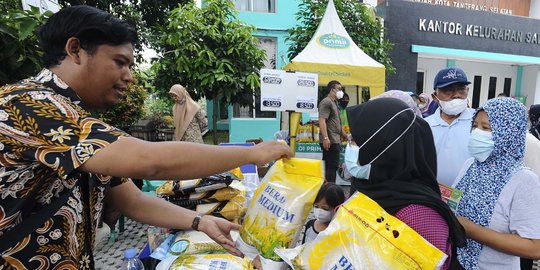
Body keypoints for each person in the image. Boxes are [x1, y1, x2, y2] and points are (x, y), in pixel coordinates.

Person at [0, 6, 292, 268]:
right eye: (119, 62)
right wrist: (252, 153)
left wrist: (200, 221)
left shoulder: (80, 123)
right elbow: (150, 161)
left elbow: (133, 201)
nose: (129, 76)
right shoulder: (27, 104)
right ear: (75, 49)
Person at [346, 98, 466, 269]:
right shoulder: (367, 187)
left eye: (355, 140)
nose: (350, 146)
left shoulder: (419, 217)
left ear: (382, 148)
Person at [452, 98, 540, 269]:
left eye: (486, 128)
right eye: (475, 126)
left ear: (508, 133)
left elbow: (535, 247)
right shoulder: (470, 165)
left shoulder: (524, 180)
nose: (476, 132)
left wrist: (472, 230)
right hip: (457, 261)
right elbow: (455, 199)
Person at [425, 67, 475, 186]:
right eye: (448, 90)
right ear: (434, 96)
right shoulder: (425, 125)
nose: (456, 95)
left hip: (470, 195)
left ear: (467, 91)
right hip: (434, 194)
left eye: (461, 89)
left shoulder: (479, 122)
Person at [319, 80, 347, 183]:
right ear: (332, 90)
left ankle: (327, 190)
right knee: (332, 167)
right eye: (339, 89)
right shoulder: (326, 102)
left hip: (335, 139)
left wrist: (346, 136)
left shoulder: (334, 102)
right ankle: (329, 190)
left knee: (330, 167)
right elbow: (322, 120)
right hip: (330, 140)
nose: (341, 91)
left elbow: (336, 123)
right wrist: (326, 138)